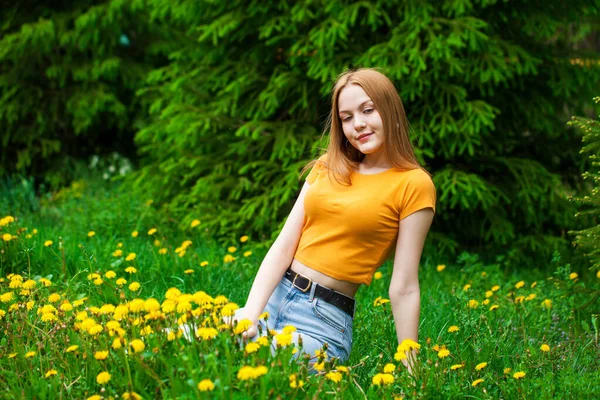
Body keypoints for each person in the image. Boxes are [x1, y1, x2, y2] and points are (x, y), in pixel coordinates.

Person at [231, 67, 436, 373]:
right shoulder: (329, 165)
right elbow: (285, 244)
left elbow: (404, 286)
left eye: (368, 110)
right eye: (347, 117)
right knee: (188, 340)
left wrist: (410, 362)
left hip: (321, 320)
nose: (358, 124)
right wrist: (251, 310)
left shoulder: (414, 184)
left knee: (253, 366)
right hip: (273, 297)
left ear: (391, 111)